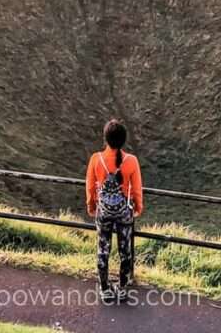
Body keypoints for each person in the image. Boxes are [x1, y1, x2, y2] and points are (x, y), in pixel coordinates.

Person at [86, 119, 143, 302]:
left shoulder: (96, 159)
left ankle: (104, 289)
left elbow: (90, 187)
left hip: (103, 212)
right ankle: (123, 287)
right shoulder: (131, 161)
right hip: (124, 213)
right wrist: (138, 207)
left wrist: (91, 206)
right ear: (124, 139)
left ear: (106, 138)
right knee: (125, 251)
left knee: (103, 249)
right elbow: (136, 189)